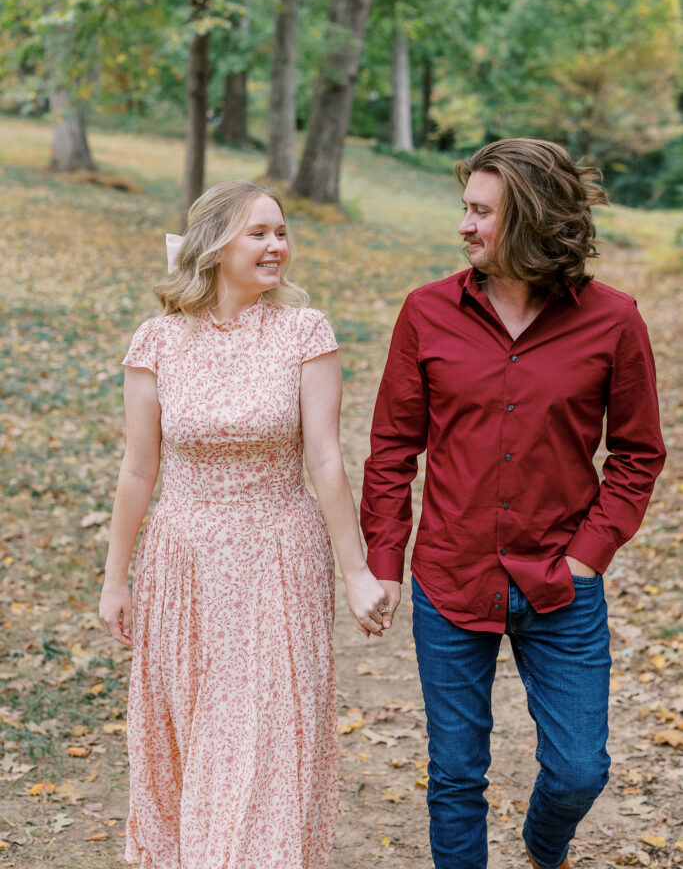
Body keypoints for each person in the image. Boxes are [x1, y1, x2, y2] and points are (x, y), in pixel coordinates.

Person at [360, 139, 666, 869]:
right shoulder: (427, 311)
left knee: (579, 771)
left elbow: (637, 454)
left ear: (529, 218)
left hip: (561, 584)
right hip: (450, 576)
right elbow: (392, 449)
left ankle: (543, 846)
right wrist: (385, 562)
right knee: (455, 774)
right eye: (464, 208)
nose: (462, 225)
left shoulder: (613, 320)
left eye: (480, 212)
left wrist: (588, 557)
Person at [99, 179, 388, 869]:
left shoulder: (305, 332)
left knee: (267, 737)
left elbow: (325, 458)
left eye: (281, 232)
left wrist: (356, 573)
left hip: (278, 558)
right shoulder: (157, 341)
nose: (276, 245)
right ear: (213, 245)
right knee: (197, 732)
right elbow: (138, 470)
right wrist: (115, 579)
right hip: (185, 563)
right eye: (258, 232)